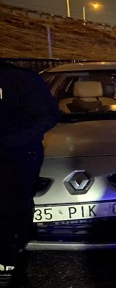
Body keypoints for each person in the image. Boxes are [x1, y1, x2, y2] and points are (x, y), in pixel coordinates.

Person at [0, 60, 60, 287]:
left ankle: (7, 266)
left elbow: (46, 115)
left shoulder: (18, 79)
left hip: (11, 160)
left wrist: (8, 142)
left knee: (10, 214)